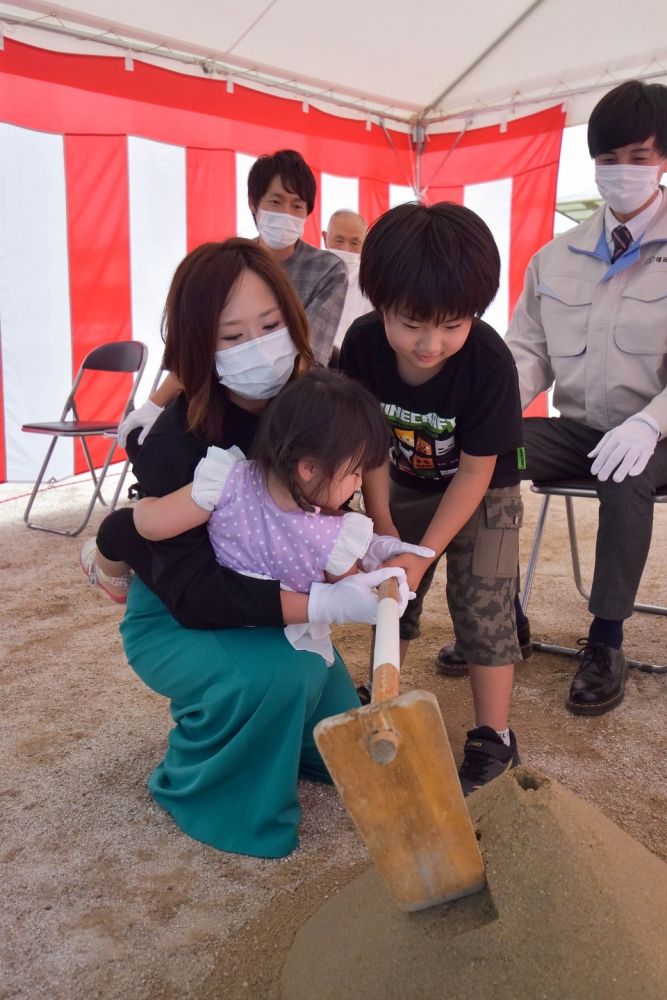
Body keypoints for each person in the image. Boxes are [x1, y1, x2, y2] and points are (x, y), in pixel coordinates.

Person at [81, 238, 415, 858]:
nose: (258, 346)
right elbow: (193, 593)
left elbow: (340, 497)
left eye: (270, 325)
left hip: (270, 597)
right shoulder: (177, 442)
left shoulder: (310, 404)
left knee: (330, 709)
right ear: (195, 347)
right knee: (281, 676)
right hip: (180, 615)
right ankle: (199, 791)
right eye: (230, 336)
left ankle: (271, 730)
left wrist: (381, 553)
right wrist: (324, 605)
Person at [469, 78, 666, 719]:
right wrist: (490, 413)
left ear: (663, 160)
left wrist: (647, 424)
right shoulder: (556, 259)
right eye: (609, 158)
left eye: (639, 157)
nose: (622, 172)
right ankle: (502, 618)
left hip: (657, 437)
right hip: (578, 430)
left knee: (627, 471)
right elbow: (527, 354)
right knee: (488, 455)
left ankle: (606, 642)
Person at [339, 201, 526, 795]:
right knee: (389, 593)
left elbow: (476, 474)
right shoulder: (363, 345)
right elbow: (366, 447)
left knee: (484, 606)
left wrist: (423, 551)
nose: (431, 342)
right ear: (379, 302)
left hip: (482, 493)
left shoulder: (490, 363)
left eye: (452, 323)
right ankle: (380, 698)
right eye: (413, 322)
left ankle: (494, 737)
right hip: (400, 481)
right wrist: (386, 529)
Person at [94, 368, 397, 666]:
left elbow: (152, 524)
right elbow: (351, 586)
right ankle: (108, 576)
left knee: (120, 524)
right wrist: (379, 579)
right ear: (310, 468)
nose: (359, 484)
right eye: (355, 473)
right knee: (116, 529)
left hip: (257, 618)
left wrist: (147, 505)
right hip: (232, 620)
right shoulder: (336, 535)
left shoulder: (227, 477)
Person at [118, 150, 348, 447]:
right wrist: (155, 404)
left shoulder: (327, 269)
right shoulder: (228, 265)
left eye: (297, 206)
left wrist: (273, 431)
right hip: (221, 401)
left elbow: (309, 355)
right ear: (254, 204)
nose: (287, 214)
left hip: (289, 407)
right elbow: (197, 348)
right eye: (276, 202)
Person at [322, 209, 372, 356]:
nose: (345, 248)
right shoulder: (310, 276)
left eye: (355, 243)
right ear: (325, 238)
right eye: (339, 240)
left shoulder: (372, 286)